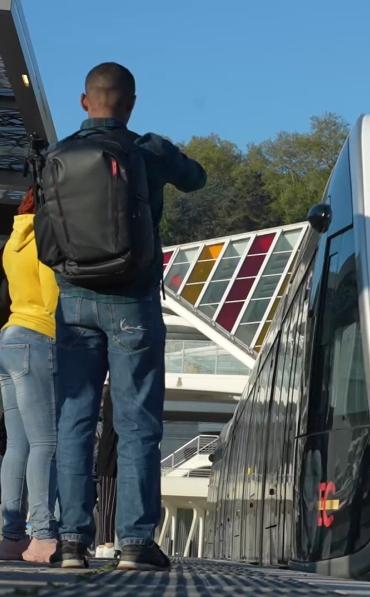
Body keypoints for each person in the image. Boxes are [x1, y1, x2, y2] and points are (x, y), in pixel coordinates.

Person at [52, 62, 206, 570]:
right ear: (132, 104)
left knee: (75, 420)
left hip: (73, 299)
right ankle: (135, 544)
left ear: (84, 102)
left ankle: (71, 542)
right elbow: (196, 179)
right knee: (137, 422)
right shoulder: (148, 150)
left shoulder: (59, 155)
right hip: (132, 300)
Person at [0, 187, 60, 563]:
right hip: (39, 337)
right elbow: (52, 296)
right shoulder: (48, 235)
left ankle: (10, 536)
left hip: (9, 337)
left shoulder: (13, 240)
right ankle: (41, 536)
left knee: (17, 444)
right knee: (45, 443)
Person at [94, 387, 118, 559]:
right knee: (109, 502)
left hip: (105, 455)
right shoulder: (118, 394)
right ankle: (108, 542)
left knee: (105, 502)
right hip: (112, 454)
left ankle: (103, 542)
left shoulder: (108, 397)